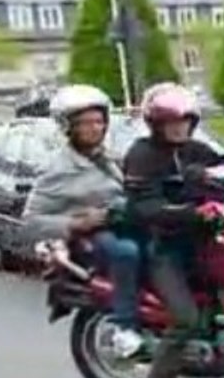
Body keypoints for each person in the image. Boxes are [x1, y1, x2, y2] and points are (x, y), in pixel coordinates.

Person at [122, 82, 224, 378]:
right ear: (155, 124)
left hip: (203, 243)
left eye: (184, 121)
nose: (178, 127)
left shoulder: (196, 150)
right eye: (171, 122)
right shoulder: (141, 155)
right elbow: (144, 207)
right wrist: (193, 212)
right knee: (185, 318)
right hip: (164, 248)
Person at [23, 84, 145, 358]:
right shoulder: (58, 169)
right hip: (92, 237)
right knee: (125, 253)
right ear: (69, 128)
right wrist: (75, 224)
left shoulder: (110, 158)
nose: (95, 128)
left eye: (99, 122)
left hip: (123, 223)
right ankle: (124, 327)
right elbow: (31, 221)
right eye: (86, 123)